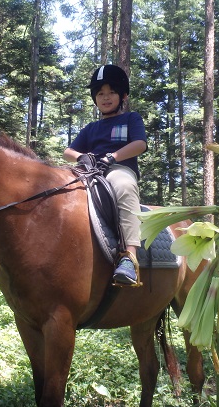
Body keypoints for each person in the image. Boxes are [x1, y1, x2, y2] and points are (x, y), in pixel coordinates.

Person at [63, 64, 147, 286]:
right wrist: (81, 157)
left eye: (111, 92)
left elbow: (139, 144)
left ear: (123, 96)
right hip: (88, 170)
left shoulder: (131, 119)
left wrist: (112, 157)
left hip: (117, 169)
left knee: (124, 186)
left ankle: (129, 256)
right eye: (100, 93)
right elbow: (67, 152)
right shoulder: (90, 128)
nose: (105, 97)